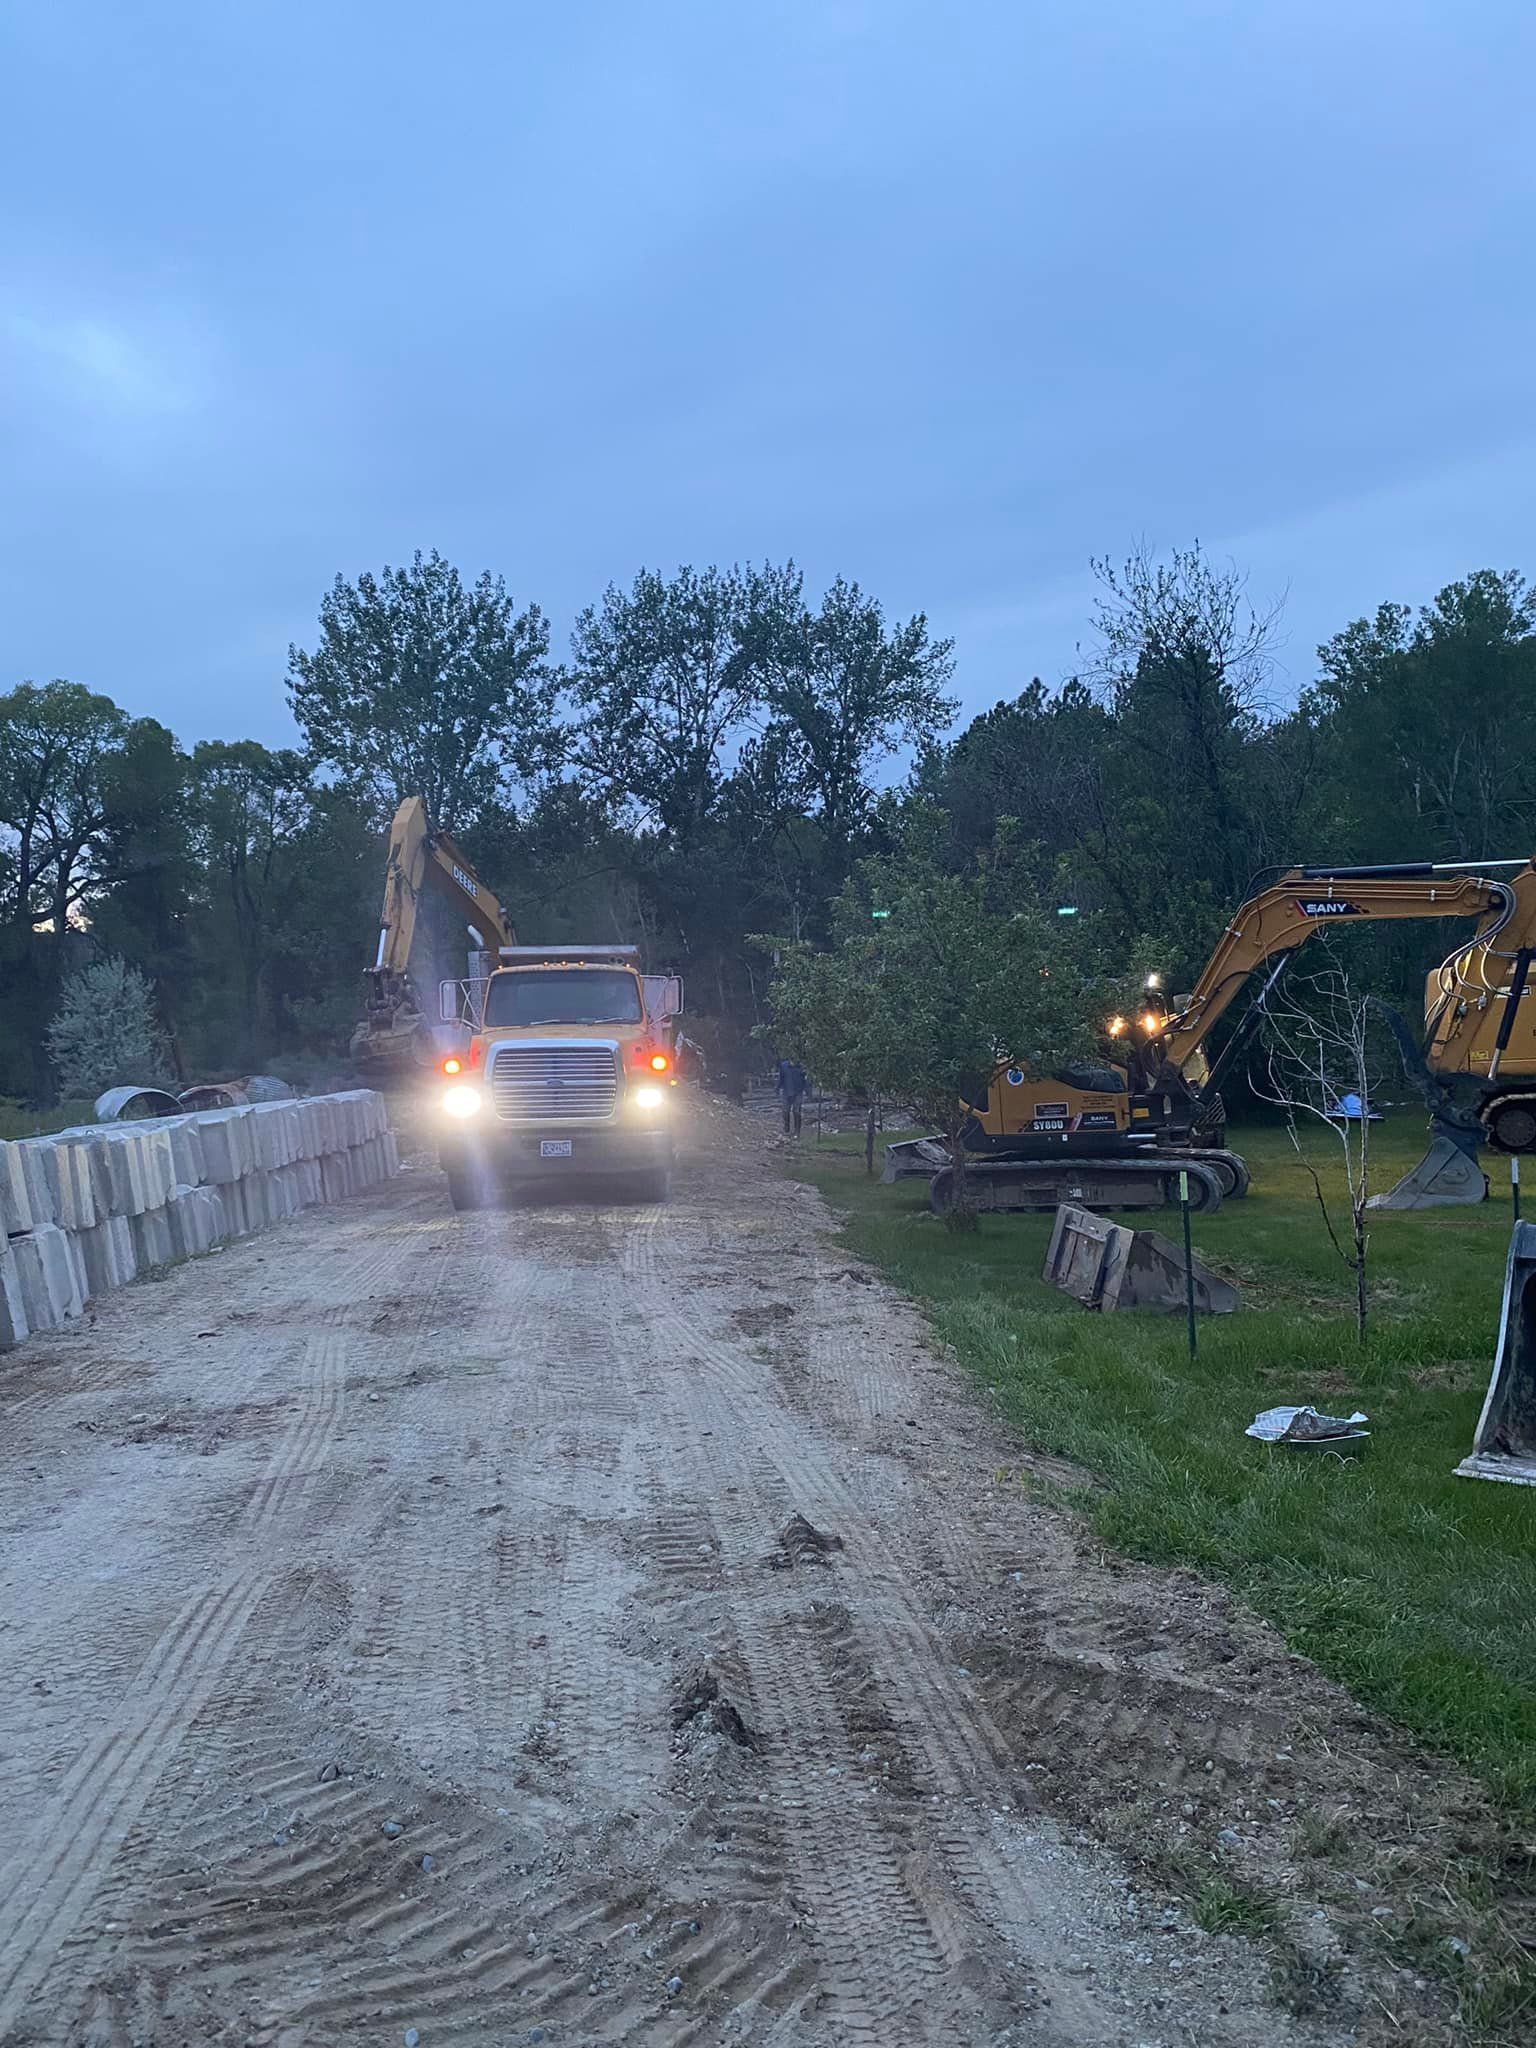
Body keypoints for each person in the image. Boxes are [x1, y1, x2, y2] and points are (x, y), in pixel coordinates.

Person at [776, 1056, 808, 1136]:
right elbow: (781, 1078)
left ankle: (797, 1131)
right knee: (785, 1111)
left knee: (797, 1112)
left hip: (798, 1092)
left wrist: (808, 1092)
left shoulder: (802, 1067)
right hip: (786, 1091)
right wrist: (777, 1088)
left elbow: (806, 1081)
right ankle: (787, 1127)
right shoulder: (783, 1066)